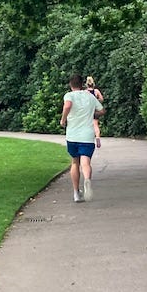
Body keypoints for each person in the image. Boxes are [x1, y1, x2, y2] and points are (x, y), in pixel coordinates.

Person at [60, 72, 104, 202]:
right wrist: (91, 113)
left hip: (73, 135)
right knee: (86, 162)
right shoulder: (89, 96)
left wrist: (63, 120)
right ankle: (87, 180)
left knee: (75, 162)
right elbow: (102, 110)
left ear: (70, 84)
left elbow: (67, 105)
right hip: (87, 135)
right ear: (82, 84)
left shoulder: (69, 95)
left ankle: (76, 193)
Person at [85, 76, 105, 149]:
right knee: (95, 125)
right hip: (95, 110)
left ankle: (88, 139)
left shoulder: (85, 92)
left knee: (87, 125)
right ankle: (97, 138)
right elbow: (102, 99)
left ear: (86, 84)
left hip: (88, 111)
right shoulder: (96, 91)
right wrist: (97, 101)